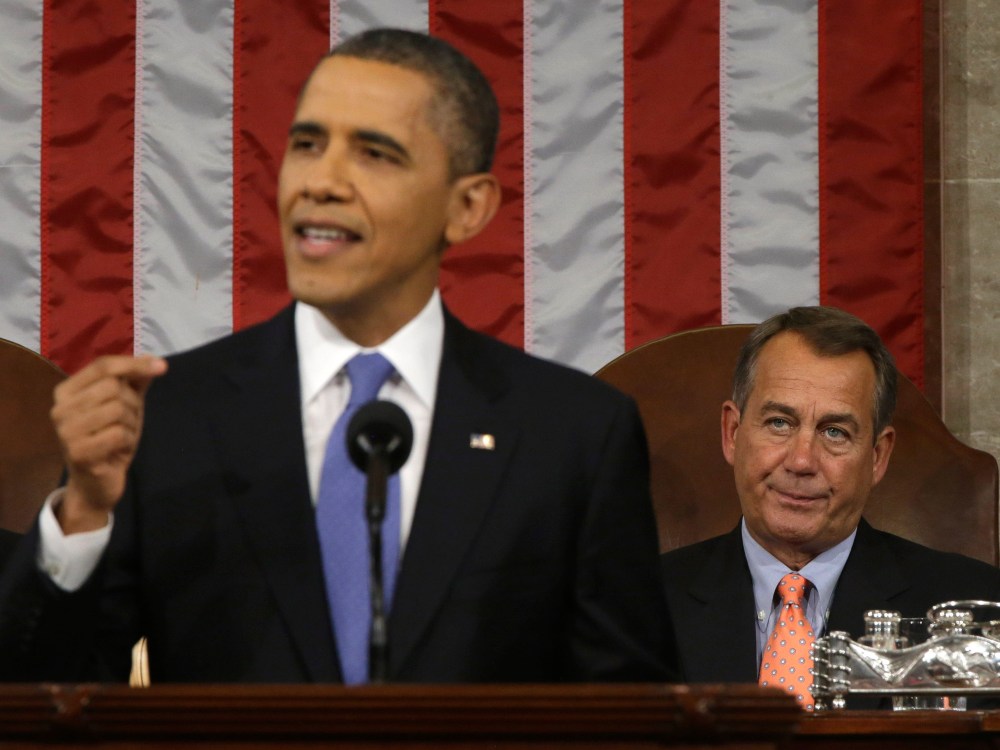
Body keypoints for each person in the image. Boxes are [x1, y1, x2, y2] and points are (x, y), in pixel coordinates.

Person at [0, 28, 675, 683]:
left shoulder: (573, 435)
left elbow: (632, 717)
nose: (321, 181)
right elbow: (42, 704)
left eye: (374, 153)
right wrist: (83, 513)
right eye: (307, 144)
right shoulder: (167, 420)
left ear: (467, 207)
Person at [660, 306, 1000, 707]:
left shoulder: (980, 612)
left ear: (877, 456)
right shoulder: (637, 605)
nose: (802, 461)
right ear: (733, 434)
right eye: (779, 423)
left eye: (835, 432)